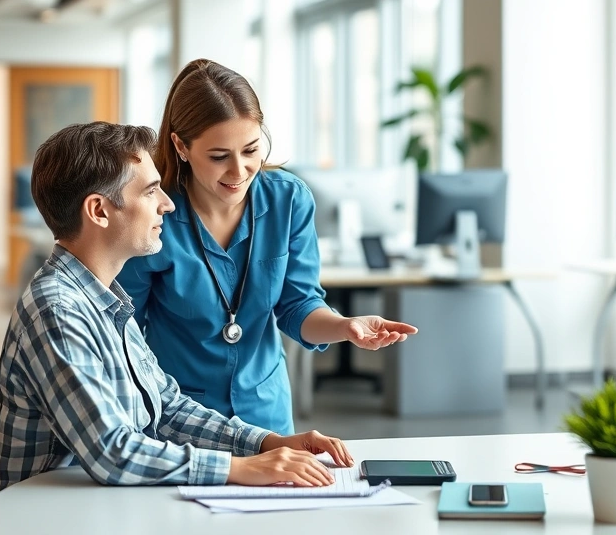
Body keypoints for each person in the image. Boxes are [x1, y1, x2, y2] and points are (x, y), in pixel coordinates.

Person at [0, 121, 353, 497]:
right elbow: (112, 453)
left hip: (95, 505)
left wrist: (266, 444)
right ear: (98, 210)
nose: (168, 203)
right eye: (150, 191)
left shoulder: (106, 300)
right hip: (44, 518)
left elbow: (169, 409)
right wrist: (239, 468)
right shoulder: (59, 311)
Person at [116, 59, 418, 435]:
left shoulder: (288, 201)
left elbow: (298, 305)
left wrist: (344, 327)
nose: (239, 171)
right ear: (180, 146)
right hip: (181, 418)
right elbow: (122, 329)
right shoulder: (154, 215)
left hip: (265, 414)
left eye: (251, 149)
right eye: (219, 156)